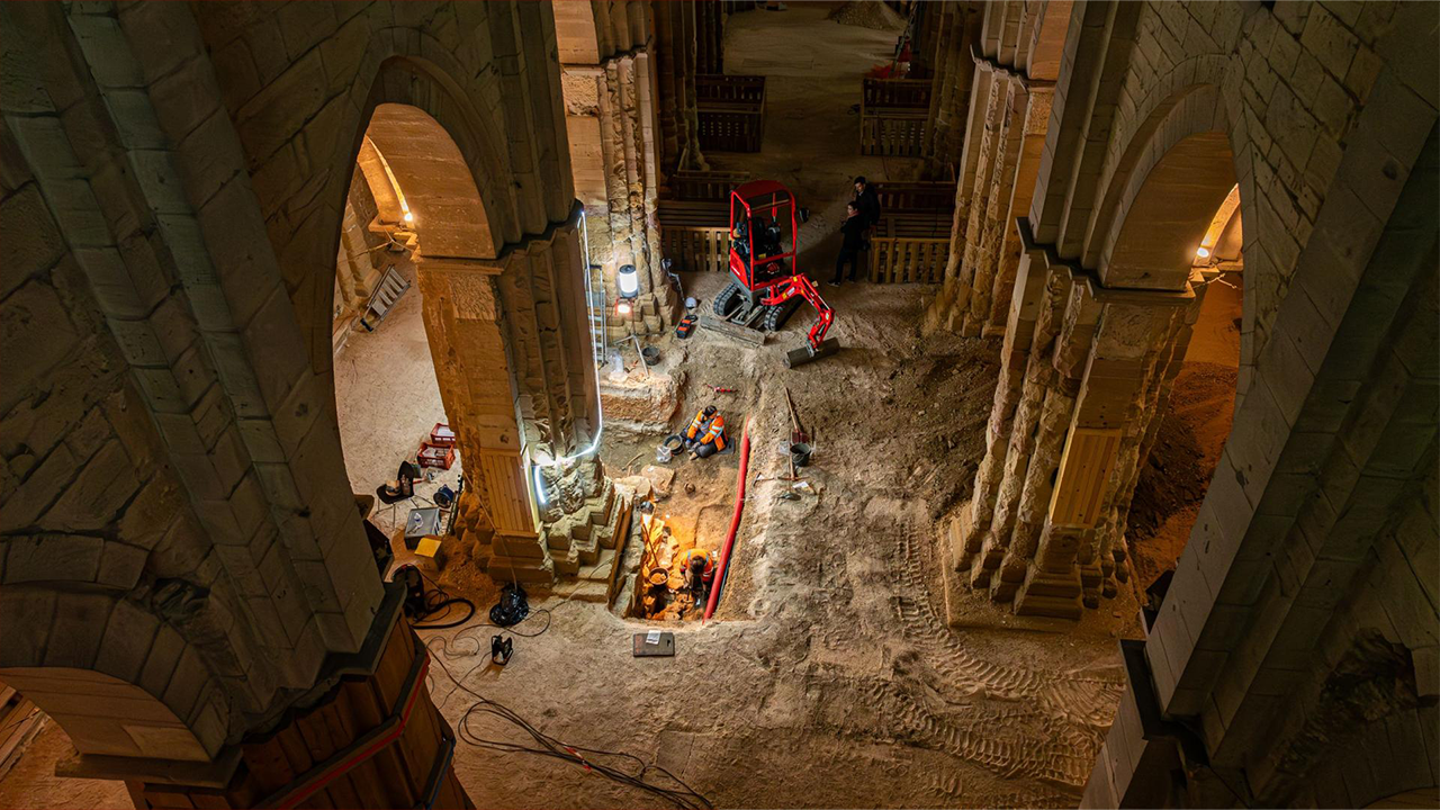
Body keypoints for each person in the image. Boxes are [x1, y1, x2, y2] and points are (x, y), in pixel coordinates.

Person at [831, 201, 867, 286]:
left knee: (840, 262)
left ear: (855, 209)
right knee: (854, 260)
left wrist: (844, 225)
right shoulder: (859, 217)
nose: (848, 210)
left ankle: (837, 281)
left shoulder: (851, 220)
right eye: (848, 208)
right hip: (856, 243)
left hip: (848, 244)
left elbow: (843, 230)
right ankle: (851, 277)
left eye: (850, 209)